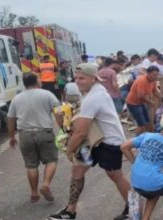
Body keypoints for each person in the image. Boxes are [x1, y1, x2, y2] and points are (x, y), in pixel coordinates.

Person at [48, 63, 131, 220]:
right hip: (93, 143)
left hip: (109, 143)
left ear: (93, 78)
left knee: (116, 176)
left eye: (82, 78)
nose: (78, 81)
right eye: (76, 78)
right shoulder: (93, 91)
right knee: (77, 170)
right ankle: (70, 211)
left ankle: (134, 209)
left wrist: (70, 150)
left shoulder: (93, 97)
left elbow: (80, 132)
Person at [7, 73, 63, 203]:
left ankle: (33, 192)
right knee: (51, 160)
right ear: (37, 81)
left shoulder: (17, 98)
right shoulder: (47, 94)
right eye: (39, 78)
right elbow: (58, 113)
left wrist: (11, 136)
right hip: (44, 132)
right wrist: (63, 129)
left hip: (25, 134)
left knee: (31, 165)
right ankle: (46, 184)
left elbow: (10, 118)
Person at [126, 65, 162, 135]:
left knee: (148, 123)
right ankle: (135, 142)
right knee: (141, 126)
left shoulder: (153, 81)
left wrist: (162, 99)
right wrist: (151, 102)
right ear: (148, 73)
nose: (156, 77)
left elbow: (155, 91)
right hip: (133, 104)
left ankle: (148, 138)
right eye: (154, 75)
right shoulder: (142, 80)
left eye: (157, 75)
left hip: (141, 103)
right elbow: (140, 96)